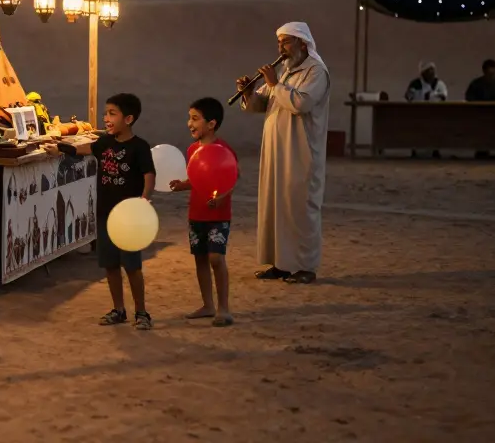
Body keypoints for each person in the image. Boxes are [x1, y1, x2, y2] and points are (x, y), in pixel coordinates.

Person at [49, 93, 156, 328]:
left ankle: (142, 313)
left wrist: (144, 200)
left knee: (132, 266)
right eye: (105, 112)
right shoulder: (104, 142)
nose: (106, 118)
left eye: (112, 113)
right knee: (109, 263)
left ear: (128, 119)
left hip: (129, 218)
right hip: (105, 213)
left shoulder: (139, 147)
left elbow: (149, 175)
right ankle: (119, 309)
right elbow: (87, 149)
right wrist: (61, 147)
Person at [238, 22, 331, 285]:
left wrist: (274, 83)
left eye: (287, 42)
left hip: (301, 152)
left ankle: (305, 267)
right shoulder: (285, 71)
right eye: (279, 43)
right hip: (276, 152)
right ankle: (281, 264)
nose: (281, 48)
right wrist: (248, 93)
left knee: (300, 208)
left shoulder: (316, 72)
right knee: (276, 206)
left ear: (303, 43)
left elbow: (300, 103)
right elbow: (262, 104)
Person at [168, 97, 238, 326]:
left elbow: (232, 178)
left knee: (216, 258)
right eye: (189, 118)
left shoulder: (224, 150)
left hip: (218, 216)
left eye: (195, 118)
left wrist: (220, 199)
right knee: (200, 259)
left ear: (211, 124)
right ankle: (208, 305)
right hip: (196, 214)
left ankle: (224, 308)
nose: (190, 123)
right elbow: (198, 178)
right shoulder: (192, 150)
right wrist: (183, 185)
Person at [465, 58, 495, 159]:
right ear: (484, 71)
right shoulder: (476, 84)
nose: (491, 76)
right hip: (480, 116)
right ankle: (482, 150)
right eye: (489, 74)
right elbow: (469, 98)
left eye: (493, 73)